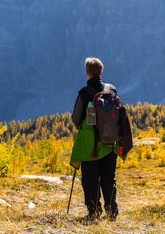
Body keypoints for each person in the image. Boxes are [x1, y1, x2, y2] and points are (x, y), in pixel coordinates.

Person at [70, 57, 133, 222]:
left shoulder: (85, 93)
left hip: (91, 146)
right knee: (108, 178)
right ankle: (112, 212)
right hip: (111, 143)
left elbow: (76, 118)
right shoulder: (111, 89)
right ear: (101, 72)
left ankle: (94, 212)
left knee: (90, 180)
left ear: (87, 72)